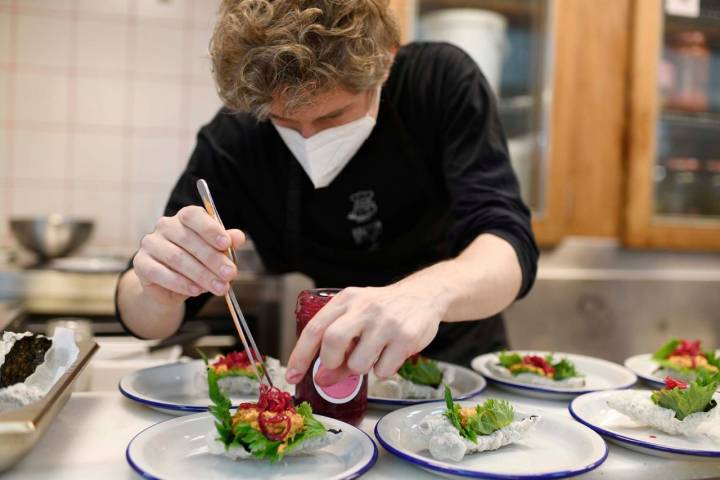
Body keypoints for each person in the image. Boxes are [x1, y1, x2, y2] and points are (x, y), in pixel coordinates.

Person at [115, 0, 538, 387]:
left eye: (334, 115)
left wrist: (427, 295)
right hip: (336, 378)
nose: (308, 135)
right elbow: (145, 315)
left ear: (386, 61)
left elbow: (506, 244)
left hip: (458, 372)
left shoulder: (438, 82)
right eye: (284, 119)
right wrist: (157, 288)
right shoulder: (237, 138)